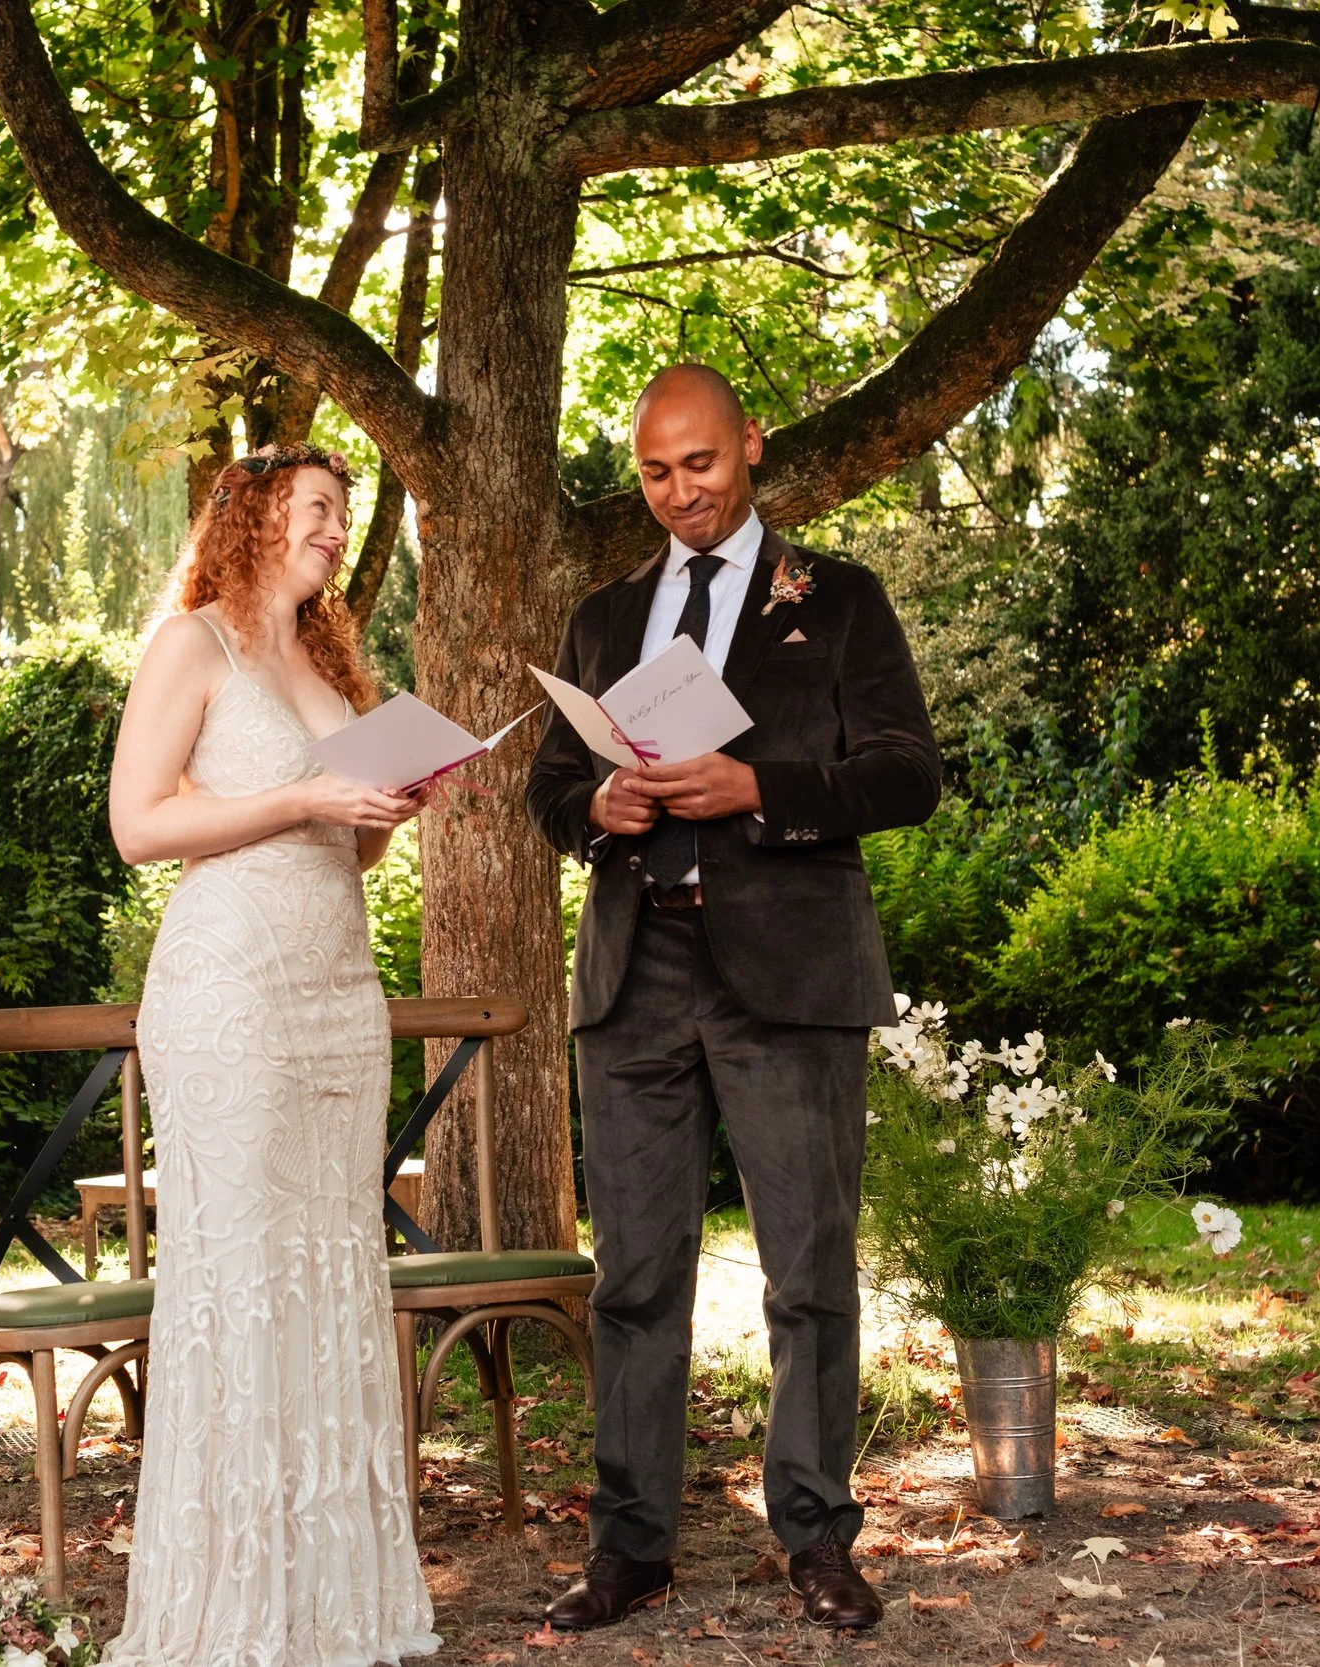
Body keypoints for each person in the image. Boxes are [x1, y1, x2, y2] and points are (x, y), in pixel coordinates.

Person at [523, 366, 941, 1633]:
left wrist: (753, 787)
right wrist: (595, 804)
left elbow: (908, 773)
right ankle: (631, 1546)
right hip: (635, 967)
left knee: (807, 1270)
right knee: (633, 1278)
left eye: (699, 465)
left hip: (790, 976)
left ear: (750, 448)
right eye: (654, 473)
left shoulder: (838, 596)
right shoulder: (602, 617)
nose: (679, 493)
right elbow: (549, 785)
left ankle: (815, 1535)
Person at [105, 442, 437, 1666]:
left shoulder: (330, 667)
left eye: (343, 515)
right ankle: (230, 1613)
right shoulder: (194, 643)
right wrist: (302, 801)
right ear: (250, 518)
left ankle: (328, 1603)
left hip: (338, 995)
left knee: (331, 1282)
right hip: (227, 994)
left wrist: (379, 815)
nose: (333, 530)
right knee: (242, 1282)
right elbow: (139, 824)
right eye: (314, 508)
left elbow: (341, 853)